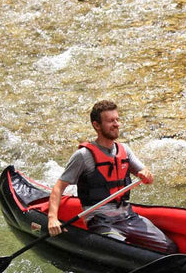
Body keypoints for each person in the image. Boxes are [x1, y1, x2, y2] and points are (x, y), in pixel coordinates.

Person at [47, 100, 177, 254]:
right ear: (97, 125)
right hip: (100, 220)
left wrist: (146, 175)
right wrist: (52, 219)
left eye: (117, 119)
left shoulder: (124, 150)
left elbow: (148, 176)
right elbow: (59, 187)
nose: (116, 124)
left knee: (170, 248)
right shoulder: (83, 156)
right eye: (110, 121)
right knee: (123, 251)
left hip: (127, 216)